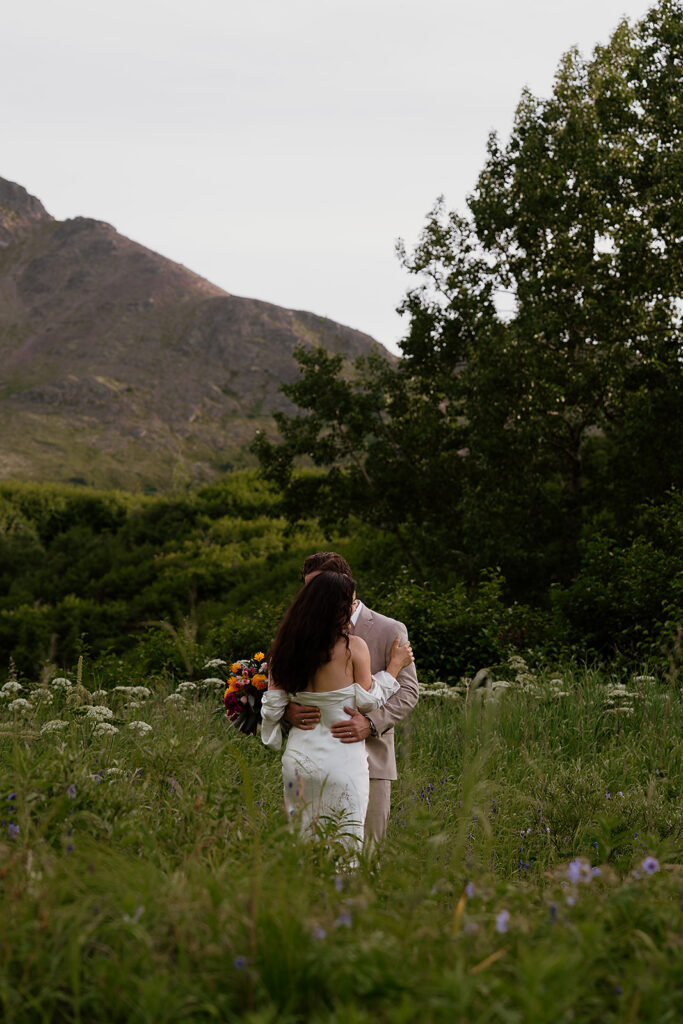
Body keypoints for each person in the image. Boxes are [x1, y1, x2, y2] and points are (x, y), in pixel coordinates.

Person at [260, 571, 413, 852]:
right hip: (342, 758)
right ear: (339, 607)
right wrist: (394, 667)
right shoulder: (352, 646)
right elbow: (368, 701)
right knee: (347, 849)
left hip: (298, 759)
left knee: (302, 845)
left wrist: (290, 713)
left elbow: (272, 708)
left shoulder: (283, 649)